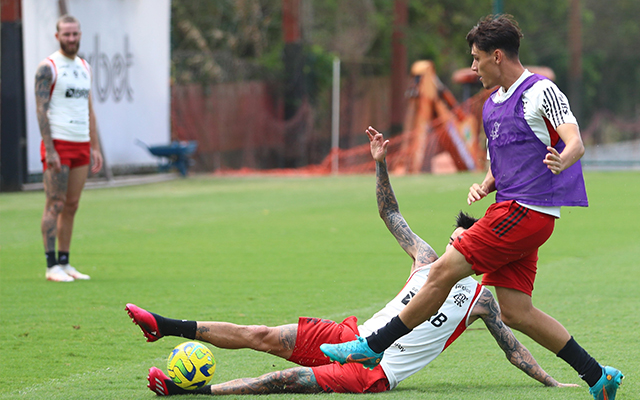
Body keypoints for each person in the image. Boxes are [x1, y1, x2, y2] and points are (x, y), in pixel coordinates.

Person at [124, 128, 579, 396]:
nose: (455, 245)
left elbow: (515, 350)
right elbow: (390, 213)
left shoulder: (483, 302)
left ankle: (200, 392)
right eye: (455, 238)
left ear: (479, 250)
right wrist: (380, 163)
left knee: (286, 379)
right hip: (352, 336)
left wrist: (551, 383)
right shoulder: (425, 259)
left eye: (465, 241)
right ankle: (163, 324)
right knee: (261, 335)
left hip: (374, 371)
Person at [321, 16, 624, 400]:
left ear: (497, 56)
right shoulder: (492, 105)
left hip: (525, 211)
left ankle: (372, 347)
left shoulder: (541, 91)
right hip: (513, 210)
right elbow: (502, 162)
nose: (473, 67)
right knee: (516, 312)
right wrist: (485, 183)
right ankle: (598, 375)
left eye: (476, 58)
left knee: (441, 271)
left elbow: (574, 141)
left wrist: (564, 160)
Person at [35, 15, 103, 282]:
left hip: (81, 143)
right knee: (55, 203)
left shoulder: (84, 66)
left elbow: (88, 107)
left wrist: (94, 145)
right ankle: (51, 266)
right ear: (57, 36)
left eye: (75, 34)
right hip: (59, 143)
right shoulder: (48, 67)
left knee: (72, 205)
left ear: (80, 34)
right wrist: (50, 148)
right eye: (66, 34)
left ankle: (65, 262)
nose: (71, 39)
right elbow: (41, 108)